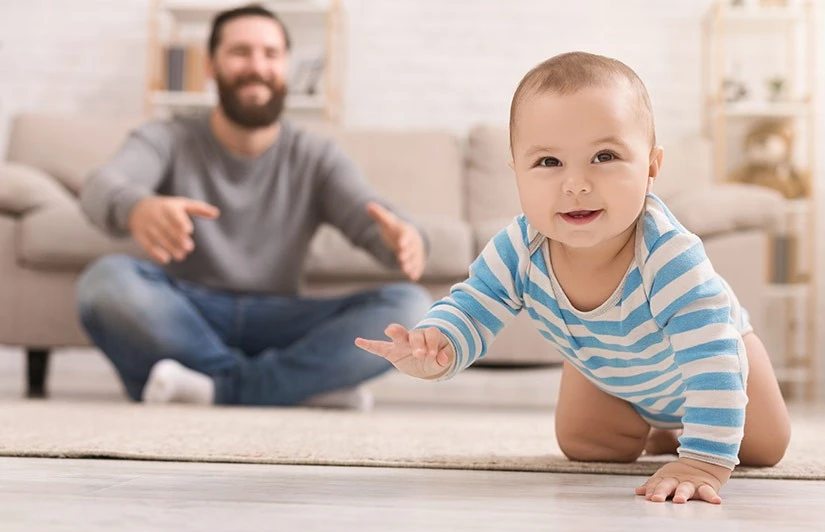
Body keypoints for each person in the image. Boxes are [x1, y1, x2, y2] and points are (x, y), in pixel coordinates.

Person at [355, 52, 791, 503]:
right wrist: (439, 342)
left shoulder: (669, 256)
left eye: (605, 156)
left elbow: (712, 358)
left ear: (651, 169)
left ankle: (687, 434)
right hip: (610, 373)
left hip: (716, 363)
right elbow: (476, 301)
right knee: (584, 446)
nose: (576, 183)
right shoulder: (520, 249)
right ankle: (661, 430)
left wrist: (702, 460)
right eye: (548, 162)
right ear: (516, 175)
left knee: (763, 447)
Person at [76, 3, 432, 410]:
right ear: (211, 66)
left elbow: (376, 220)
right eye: (240, 52)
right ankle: (295, 388)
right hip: (190, 314)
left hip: (281, 319)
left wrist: (408, 239)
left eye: (270, 54)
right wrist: (136, 207)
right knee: (104, 283)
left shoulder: (314, 155)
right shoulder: (168, 137)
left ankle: (212, 388)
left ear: (285, 66)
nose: (257, 66)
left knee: (413, 307)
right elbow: (99, 186)